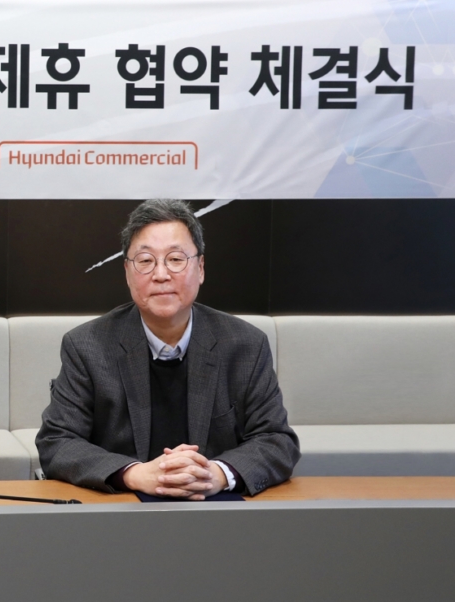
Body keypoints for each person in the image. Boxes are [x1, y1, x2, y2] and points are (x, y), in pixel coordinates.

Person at [36, 199, 299, 498]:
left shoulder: (245, 345)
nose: (161, 274)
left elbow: (277, 440)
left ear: (200, 268)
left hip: (217, 509)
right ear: (127, 272)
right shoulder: (87, 346)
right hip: (122, 510)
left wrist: (216, 474)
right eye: (146, 260)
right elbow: (58, 441)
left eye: (175, 259)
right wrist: (135, 474)